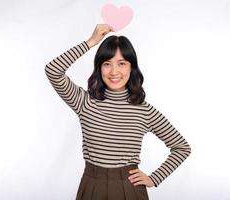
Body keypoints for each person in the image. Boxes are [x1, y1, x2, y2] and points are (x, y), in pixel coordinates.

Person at [45, 24, 191, 200]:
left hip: (128, 188)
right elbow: (53, 70)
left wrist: (154, 179)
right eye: (107, 64)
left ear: (132, 67)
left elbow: (182, 147)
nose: (114, 72)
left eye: (121, 63)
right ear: (99, 68)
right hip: (92, 185)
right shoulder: (85, 102)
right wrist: (91, 42)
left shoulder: (145, 111)